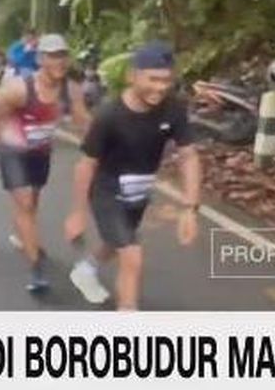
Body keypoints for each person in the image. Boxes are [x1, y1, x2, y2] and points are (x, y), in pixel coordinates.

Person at [64, 41, 202, 310]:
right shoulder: (109, 115)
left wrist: (189, 208)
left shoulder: (173, 109)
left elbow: (189, 156)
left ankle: (86, 270)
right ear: (132, 76)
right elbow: (86, 165)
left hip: (139, 192)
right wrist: (77, 213)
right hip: (107, 190)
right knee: (132, 256)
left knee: (115, 241)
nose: (160, 87)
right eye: (153, 79)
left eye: (166, 80)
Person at [0, 34, 91, 293]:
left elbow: (84, 124)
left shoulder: (71, 90)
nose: (59, 61)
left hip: (40, 152)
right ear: (39, 59)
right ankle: (36, 268)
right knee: (25, 202)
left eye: (62, 55)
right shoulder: (18, 89)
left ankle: (23, 235)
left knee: (32, 203)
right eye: (52, 56)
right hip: (12, 150)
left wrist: (104, 149)